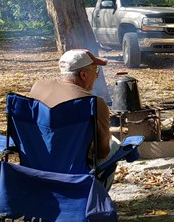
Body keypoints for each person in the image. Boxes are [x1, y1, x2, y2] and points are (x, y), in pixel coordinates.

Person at [29, 49, 120, 190]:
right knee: (114, 145)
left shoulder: (38, 87)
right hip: (74, 171)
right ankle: (95, 199)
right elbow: (102, 152)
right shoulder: (94, 103)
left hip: (38, 164)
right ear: (83, 74)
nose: (96, 77)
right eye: (96, 72)